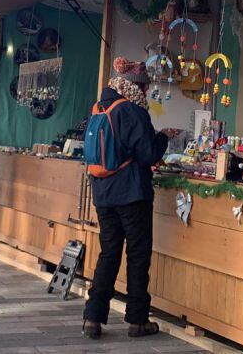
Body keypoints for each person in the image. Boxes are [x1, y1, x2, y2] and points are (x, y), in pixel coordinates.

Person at [81, 57, 169, 341]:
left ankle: (93, 317)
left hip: (103, 192)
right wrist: (164, 138)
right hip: (132, 193)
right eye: (144, 88)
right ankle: (138, 320)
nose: (145, 94)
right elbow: (147, 155)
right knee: (138, 254)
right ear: (136, 87)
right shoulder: (132, 111)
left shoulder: (100, 107)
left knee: (108, 252)